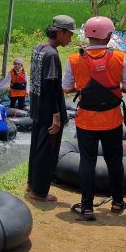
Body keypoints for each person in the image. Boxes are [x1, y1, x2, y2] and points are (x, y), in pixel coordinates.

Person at [62, 16, 126, 221]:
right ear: (109, 36)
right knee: (115, 160)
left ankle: (86, 207)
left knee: (87, 162)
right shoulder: (121, 57)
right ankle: (117, 202)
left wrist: (83, 87)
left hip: (86, 120)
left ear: (87, 35)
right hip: (112, 119)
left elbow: (66, 87)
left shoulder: (74, 59)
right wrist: (112, 86)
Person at [27, 15, 75, 202]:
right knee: (47, 151)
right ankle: (39, 192)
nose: (70, 38)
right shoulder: (52, 55)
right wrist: (56, 114)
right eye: (69, 34)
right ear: (60, 32)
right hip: (49, 110)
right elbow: (50, 85)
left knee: (36, 147)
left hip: (37, 107)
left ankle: (32, 183)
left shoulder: (38, 48)